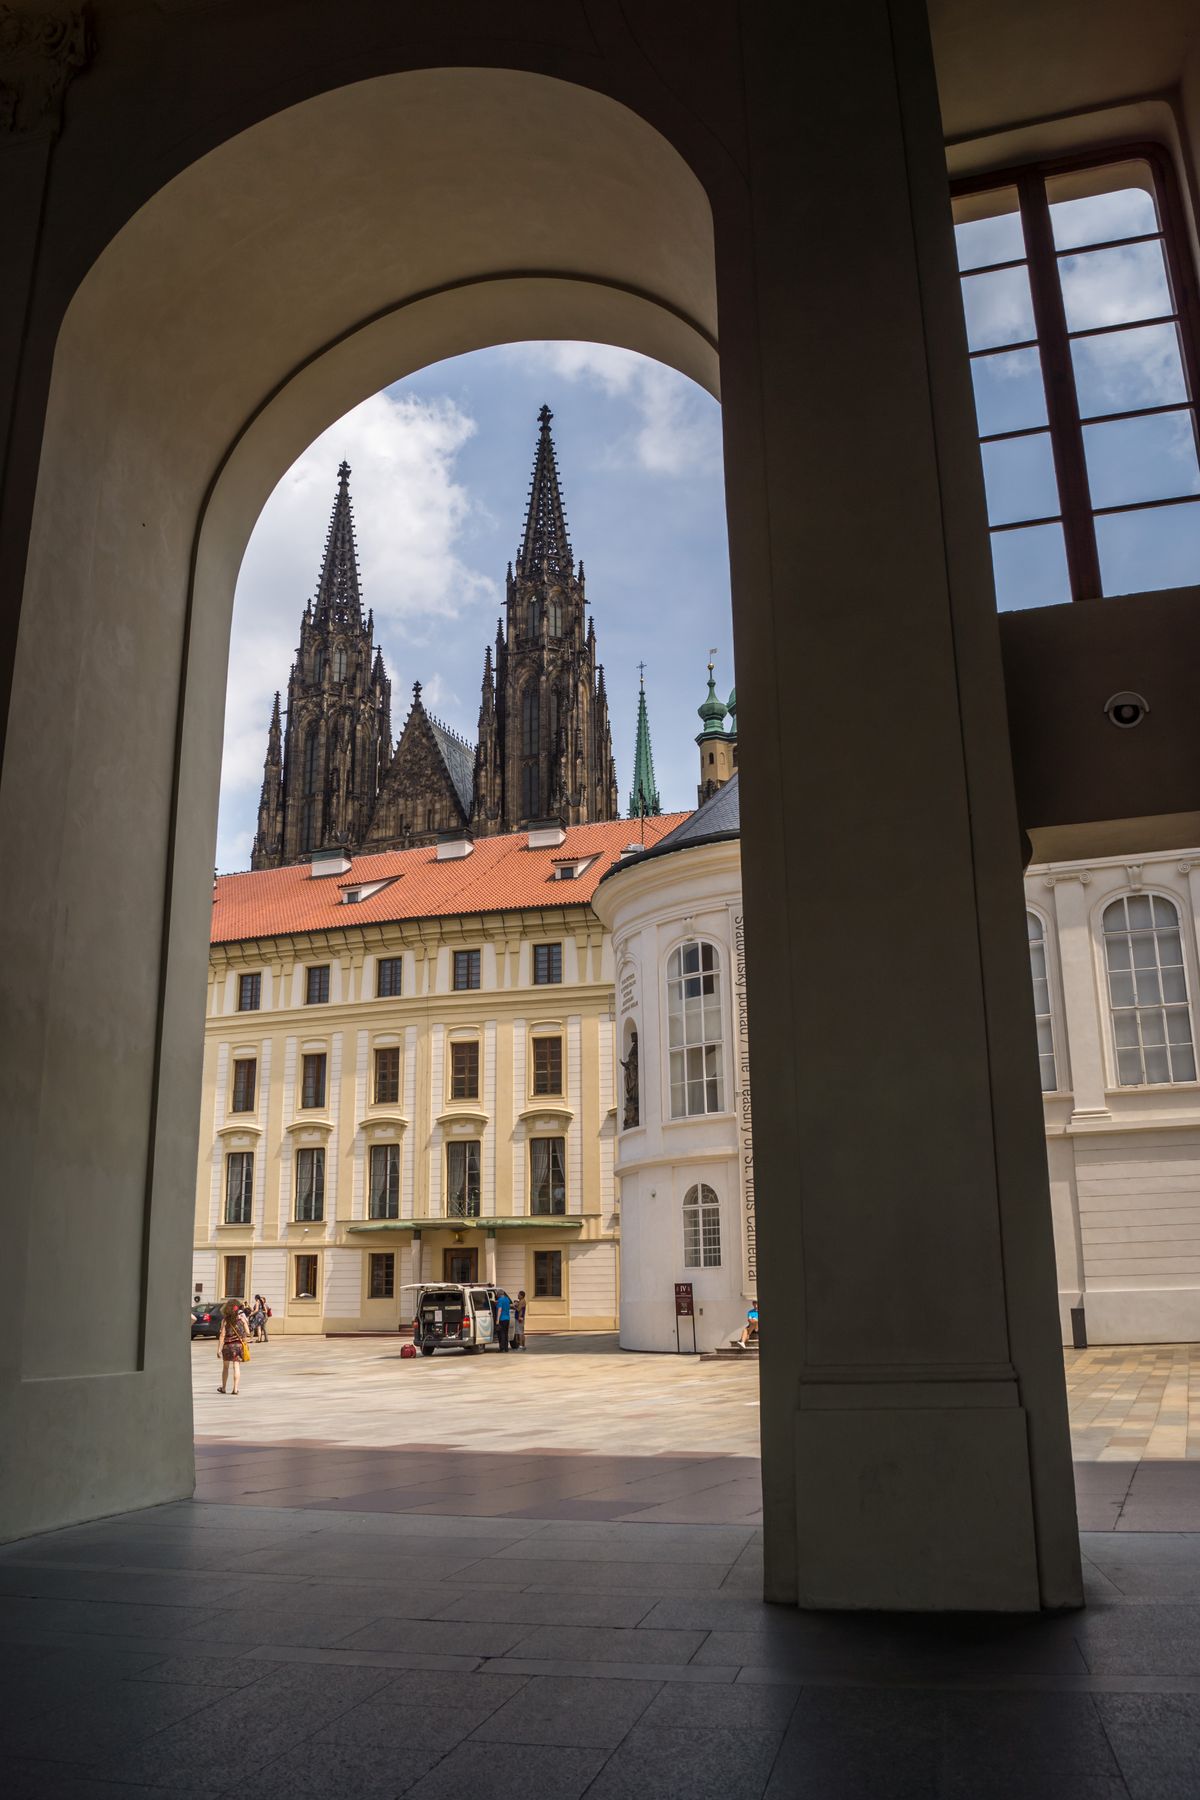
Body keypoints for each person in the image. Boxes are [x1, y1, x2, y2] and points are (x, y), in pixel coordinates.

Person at [217, 1297, 249, 1393]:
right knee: (236, 1367)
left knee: (225, 1367)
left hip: (227, 1346)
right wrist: (244, 1322)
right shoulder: (241, 1319)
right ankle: (235, 1389)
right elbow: (247, 1332)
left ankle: (223, 1388)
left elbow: (222, 1335)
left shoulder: (225, 1320)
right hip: (238, 1346)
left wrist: (219, 1349)